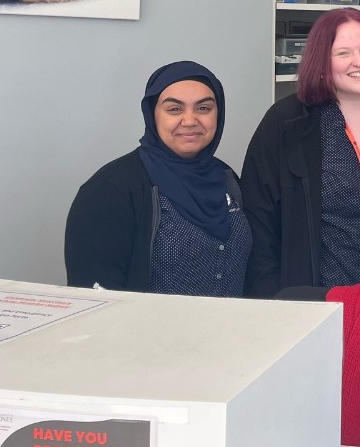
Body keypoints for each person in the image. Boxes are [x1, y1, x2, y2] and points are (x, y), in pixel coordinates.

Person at [242, 8, 360, 296]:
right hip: (321, 301)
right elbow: (259, 220)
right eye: (343, 53)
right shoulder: (286, 122)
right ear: (322, 61)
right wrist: (274, 298)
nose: (359, 61)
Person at [65, 61, 251, 296]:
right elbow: (94, 297)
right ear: (152, 114)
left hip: (235, 330)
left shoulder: (226, 178)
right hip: (149, 332)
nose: (190, 120)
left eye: (203, 108)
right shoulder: (110, 190)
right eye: (174, 109)